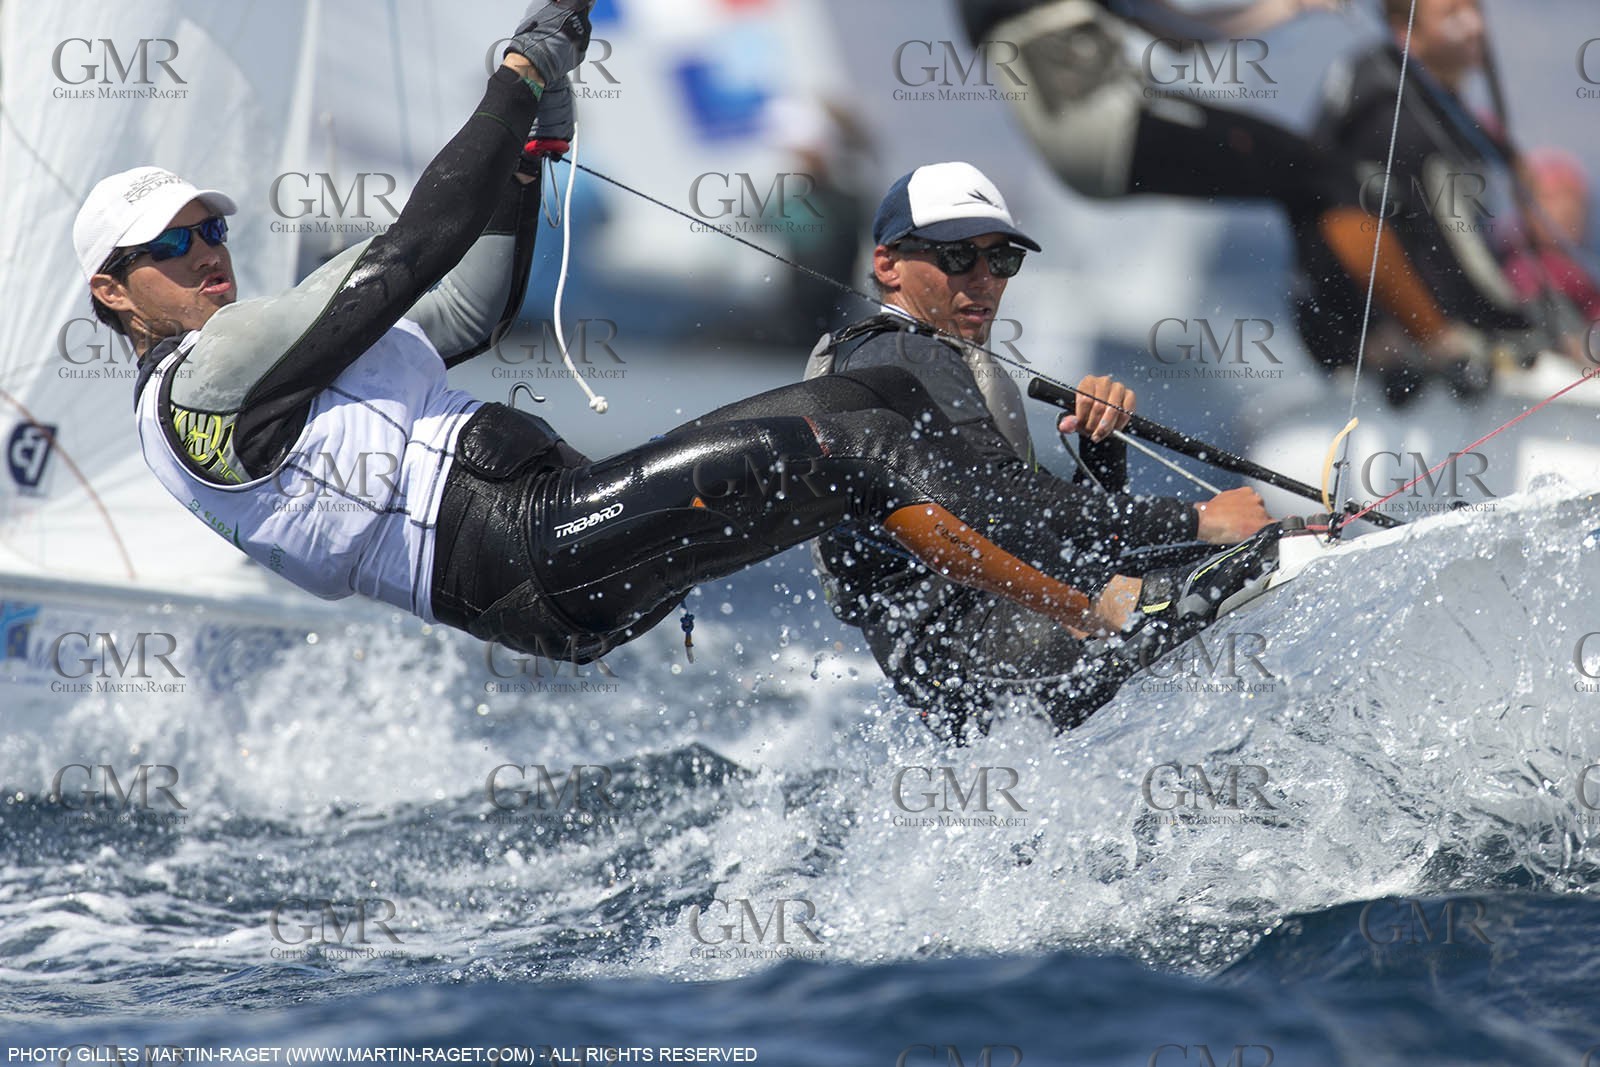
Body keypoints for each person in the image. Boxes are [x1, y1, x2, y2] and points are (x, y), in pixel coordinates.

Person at [88, 0, 1215, 675]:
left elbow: (470, 306)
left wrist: (532, 150)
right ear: (113, 293)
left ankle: (1030, 647)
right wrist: (518, 75)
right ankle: (1145, 569)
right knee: (850, 444)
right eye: (173, 246)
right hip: (527, 552)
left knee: (877, 416)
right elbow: (414, 248)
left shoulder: (278, 359)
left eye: (212, 226)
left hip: (564, 537)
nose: (206, 250)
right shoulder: (210, 378)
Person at [805, 161, 1280, 741]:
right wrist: (1198, 519)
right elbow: (1001, 504)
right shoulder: (904, 357)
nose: (983, 278)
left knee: (1238, 562)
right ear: (888, 265)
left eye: (1001, 259)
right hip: (971, 647)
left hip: (983, 647)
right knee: (1257, 560)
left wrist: (1098, 449)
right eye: (957, 257)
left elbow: (1046, 535)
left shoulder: (931, 355)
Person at [957, 0, 1496, 402]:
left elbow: (1176, 35)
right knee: (1327, 176)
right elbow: (1184, 32)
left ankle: (1367, 347)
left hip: (1099, 142)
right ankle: (1440, 344)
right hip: (1117, 132)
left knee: (1305, 181)